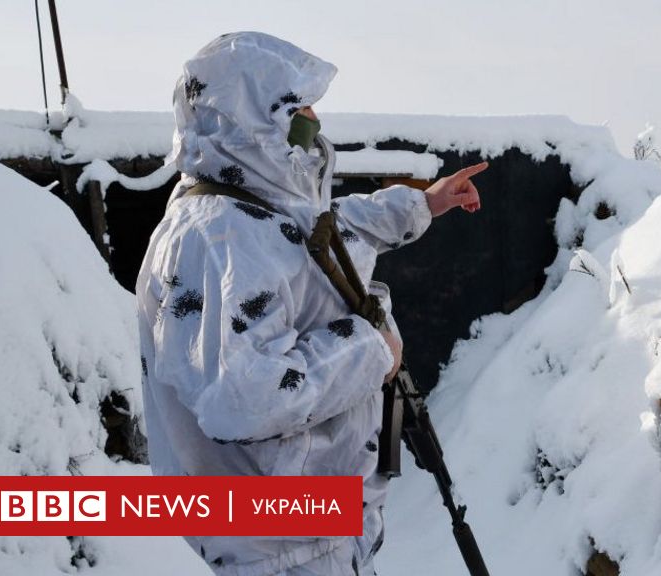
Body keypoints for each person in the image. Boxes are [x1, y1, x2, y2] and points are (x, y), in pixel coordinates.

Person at [135, 31, 487, 576]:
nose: (313, 124)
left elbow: (327, 231)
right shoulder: (217, 240)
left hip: (319, 535)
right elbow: (246, 397)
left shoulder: (253, 211)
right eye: (297, 112)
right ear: (246, 117)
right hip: (280, 550)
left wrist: (422, 204)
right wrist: (373, 350)